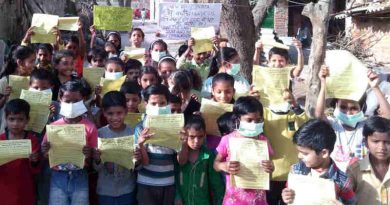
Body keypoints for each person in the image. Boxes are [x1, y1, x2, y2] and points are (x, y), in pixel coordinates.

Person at [315, 66, 390, 171]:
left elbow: (387, 116)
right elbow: (319, 114)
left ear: (362, 108)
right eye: (343, 107)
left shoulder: (366, 126)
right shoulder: (333, 124)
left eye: (354, 108)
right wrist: (323, 84)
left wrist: (375, 87)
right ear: (336, 105)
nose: (348, 112)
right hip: (338, 180)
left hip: (362, 178)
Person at [41, 80, 98, 205]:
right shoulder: (53, 126)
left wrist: (90, 154)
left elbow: (95, 157)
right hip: (57, 177)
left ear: (83, 100)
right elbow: (46, 156)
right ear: (60, 99)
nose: (72, 104)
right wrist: (45, 151)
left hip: (80, 177)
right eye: (67, 101)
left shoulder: (90, 127)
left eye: (76, 101)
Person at [214, 96, 274, 205]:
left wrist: (271, 168)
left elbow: (269, 171)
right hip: (234, 200)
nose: (254, 124)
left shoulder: (263, 141)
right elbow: (215, 164)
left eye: (258, 120)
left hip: (258, 200)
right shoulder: (228, 140)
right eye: (249, 120)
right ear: (238, 119)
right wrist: (223, 166)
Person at [281, 119, 356, 205]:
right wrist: (286, 195)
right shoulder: (296, 170)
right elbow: (288, 190)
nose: (299, 156)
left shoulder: (342, 180)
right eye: (299, 152)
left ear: (324, 153)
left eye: (305, 153)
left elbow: (351, 202)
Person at [134, 84, 186, 205]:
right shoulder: (141, 128)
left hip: (168, 183)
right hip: (146, 184)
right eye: (153, 104)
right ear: (146, 104)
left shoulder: (175, 127)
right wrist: (141, 144)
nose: (158, 107)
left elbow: (182, 161)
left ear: (168, 104)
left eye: (162, 103)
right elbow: (145, 162)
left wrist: (183, 143)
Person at [93, 91, 137, 205]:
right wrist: (97, 159)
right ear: (104, 113)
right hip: (105, 190)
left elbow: (138, 166)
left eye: (119, 113)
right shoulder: (100, 134)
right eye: (110, 113)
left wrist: (137, 158)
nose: (115, 117)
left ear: (126, 111)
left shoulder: (133, 133)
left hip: (127, 189)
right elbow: (96, 167)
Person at [175, 115, 225, 205]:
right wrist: (177, 197)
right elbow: (173, 178)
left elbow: (216, 182)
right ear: (185, 135)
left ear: (205, 135)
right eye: (192, 137)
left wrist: (220, 201)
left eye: (200, 136)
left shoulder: (208, 156)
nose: (196, 141)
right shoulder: (178, 154)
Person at [0, 99, 41, 205]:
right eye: (11, 119)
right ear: (6, 119)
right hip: (4, 188)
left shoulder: (32, 140)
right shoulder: (1, 139)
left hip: (25, 188)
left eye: (20, 119)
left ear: (27, 120)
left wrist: (34, 161)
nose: (15, 124)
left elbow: (36, 170)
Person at [347, 116, 390, 205]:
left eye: (388, 142)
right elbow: (346, 198)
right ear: (365, 142)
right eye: (375, 141)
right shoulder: (354, 170)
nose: (382, 147)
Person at [0, 45, 36, 133]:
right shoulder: (5, 81)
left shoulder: (35, 81)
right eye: (31, 61)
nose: (34, 65)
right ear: (20, 62)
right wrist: (5, 97)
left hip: (30, 128)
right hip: (8, 130)